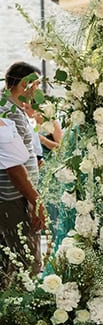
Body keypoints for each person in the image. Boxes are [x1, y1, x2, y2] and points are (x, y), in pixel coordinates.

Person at [0, 62, 45, 281]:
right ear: (24, 84)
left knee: (17, 261)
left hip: (20, 195)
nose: (37, 89)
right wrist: (35, 200)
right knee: (24, 263)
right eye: (35, 84)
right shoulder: (7, 111)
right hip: (14, 197)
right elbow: (13, 166)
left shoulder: (14, 109)